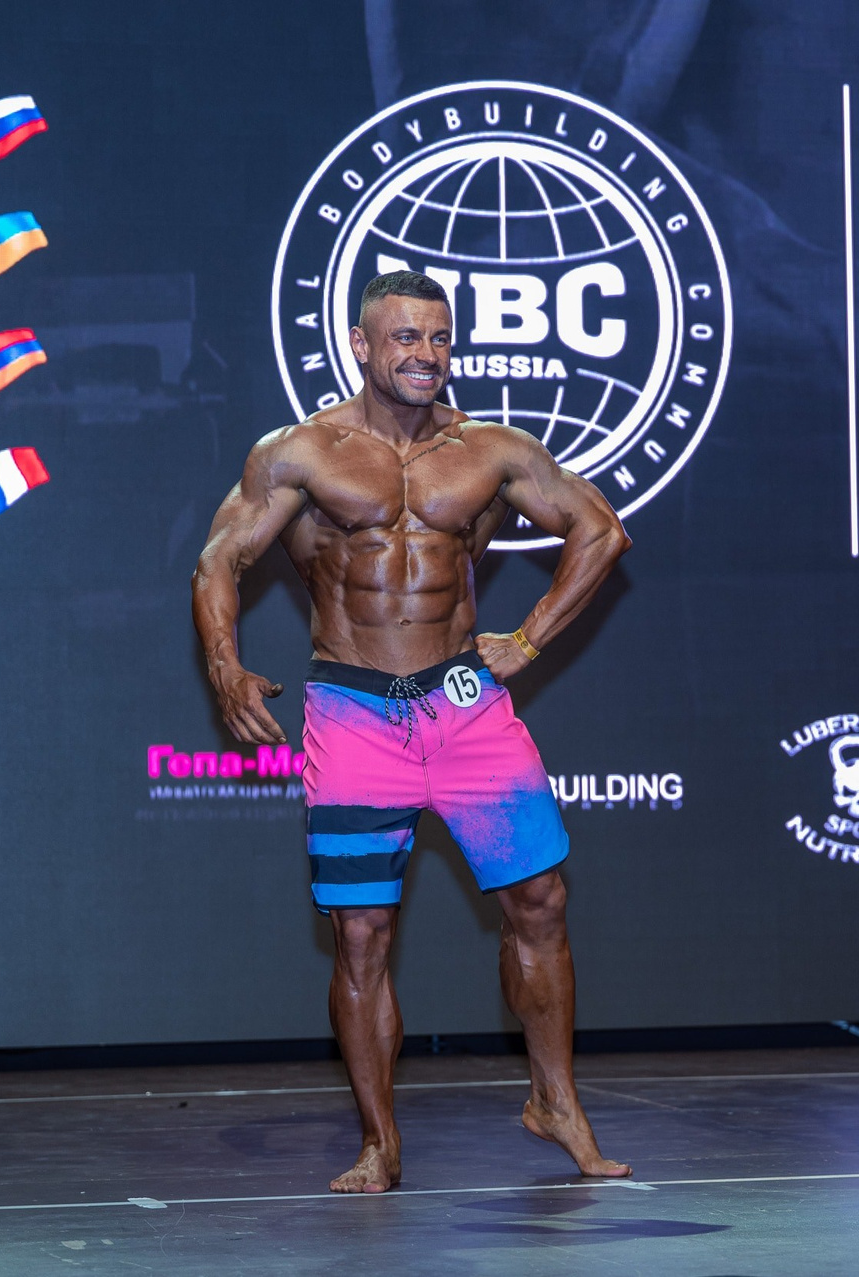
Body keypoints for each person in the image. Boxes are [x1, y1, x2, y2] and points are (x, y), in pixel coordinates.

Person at [192, 271, 633, 1191]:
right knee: (361, 932)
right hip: (354, 709)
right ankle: (378, 1141)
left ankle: (555, 1101)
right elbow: (219, 560)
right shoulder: (301, 452)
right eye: (404, 338)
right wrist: (226, 666)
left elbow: (600, 531)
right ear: (361, 344)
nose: (425, 355)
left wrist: (528, 639)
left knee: (541, 899)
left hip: (464, 702)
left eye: (438, 338)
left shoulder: (489, 451)